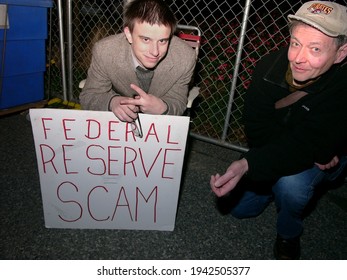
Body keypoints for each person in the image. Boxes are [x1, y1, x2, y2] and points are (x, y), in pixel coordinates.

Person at [210, 1, 347, 259]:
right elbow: (258, 131)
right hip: (282, 150)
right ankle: (272, 184)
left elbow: (317, 147)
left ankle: (288, 233)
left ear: (341, 54)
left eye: (315, 48)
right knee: (239, 209)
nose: (297, 58)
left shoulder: (343, 87)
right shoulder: (267, 69)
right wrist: (249, 163)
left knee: (292, 186)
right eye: (295, 43)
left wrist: (250, 164)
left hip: (314, 158)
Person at [79, 0, 196, 122]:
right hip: (117, 124)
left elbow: (178, 100)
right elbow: (90, 96)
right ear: (129, 34)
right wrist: (112, 102)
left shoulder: (185, 57)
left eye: (162, 41)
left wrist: (163, 107)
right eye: (146, 39)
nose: (155, 52)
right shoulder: (105, 51)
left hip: (158, 126)